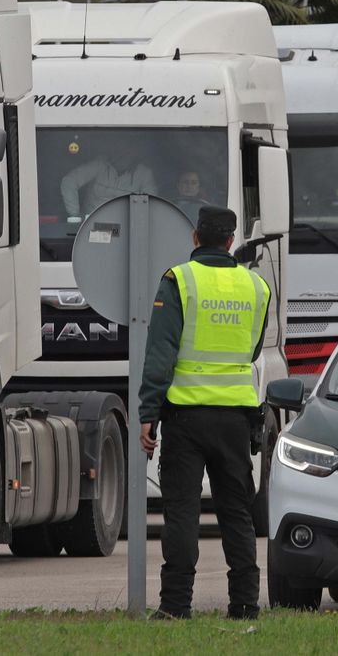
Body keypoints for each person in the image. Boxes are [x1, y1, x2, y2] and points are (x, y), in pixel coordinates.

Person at [138, 206, 271, 620]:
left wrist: (148, 413)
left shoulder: (179, 280)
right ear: (231, 241)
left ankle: (176, 606)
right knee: (237, 513)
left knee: (182, 511)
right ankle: (246, 604)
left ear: (195, 237)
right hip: (236, 418)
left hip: (186, 417)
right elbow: (249, 350)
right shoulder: (256, 287)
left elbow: (160, 353)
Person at [58, 148, 156, 219]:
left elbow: (152, 203)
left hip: (126, 227)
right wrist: (75, 214)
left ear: (134, 153)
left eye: (127, 150)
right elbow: (69, 181)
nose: (122, 154)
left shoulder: (144, 173)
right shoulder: (99, 165)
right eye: (118, 149)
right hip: (92, 225)